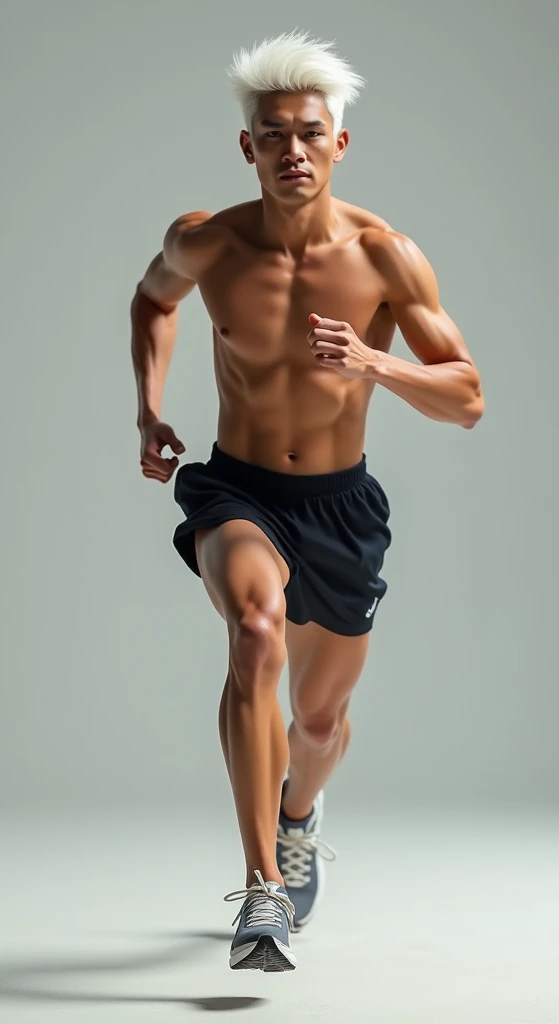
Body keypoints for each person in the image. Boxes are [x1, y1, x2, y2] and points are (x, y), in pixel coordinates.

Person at [130, 29, 484, 973]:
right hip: (236, 487)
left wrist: (374, 360)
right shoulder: (208, 241)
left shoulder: (385, 256)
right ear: (248, 146)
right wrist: (148, 409)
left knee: (319, 723)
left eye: (310, 133)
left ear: (339, 144)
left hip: (340, 507)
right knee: (255, 631)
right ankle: (262, 890)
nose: (293, 150)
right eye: (272, 134)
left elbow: (469, 397)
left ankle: (297, 813)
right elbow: (154, 302)